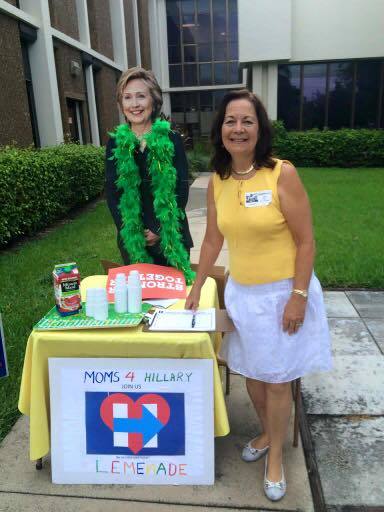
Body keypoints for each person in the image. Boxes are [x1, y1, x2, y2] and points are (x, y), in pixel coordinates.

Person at [185, 89, 332, 501]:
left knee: (279, 381)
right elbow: (213, 240)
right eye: (231, 121)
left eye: (247, 121)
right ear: (221, 131)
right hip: (243, 296)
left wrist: (299, 296)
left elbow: (306, 242)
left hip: (284, 293)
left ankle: (275, 461)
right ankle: (269, 432)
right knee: (252, 374)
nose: (238, 128)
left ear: (259, 128)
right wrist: (198, 286)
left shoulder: (281, 173)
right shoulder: (219, 180)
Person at [105, 67, 194, 283]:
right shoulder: (115, 143)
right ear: (121, 104)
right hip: (132, 237)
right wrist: (131, 230)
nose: (134, 104)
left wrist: (157, 228)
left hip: (169, 232)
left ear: (153, 100)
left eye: (140, 96)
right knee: (141, 299)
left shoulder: (171, 139)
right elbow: (113, 194)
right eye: (127, 98)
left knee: (173, 298)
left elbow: (181, 188)